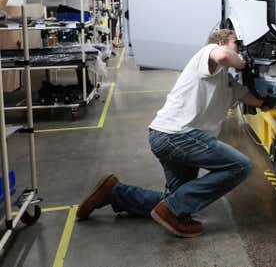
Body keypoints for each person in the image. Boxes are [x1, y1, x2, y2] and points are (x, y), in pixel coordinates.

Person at [76, 29, 265, 238]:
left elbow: (253, 98)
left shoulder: (224, 79)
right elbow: (223, 55)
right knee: (240, 166)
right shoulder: (208, 54)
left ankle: (114, 192)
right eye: (236, 43)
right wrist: (242, 61)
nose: (240, 48)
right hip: (178, 136)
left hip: (168, 137)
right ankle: (171, 211)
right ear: (221, 42)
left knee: (177, 200)